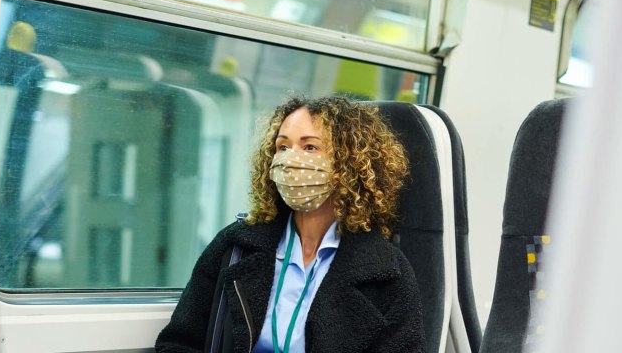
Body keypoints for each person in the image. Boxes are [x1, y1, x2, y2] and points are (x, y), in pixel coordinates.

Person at [156, 95, 426, 353]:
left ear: (348, 164)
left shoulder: (388, 274)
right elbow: (179, 342)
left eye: (310, 147)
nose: (289, 160)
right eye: (282, 147)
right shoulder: (235, 246)